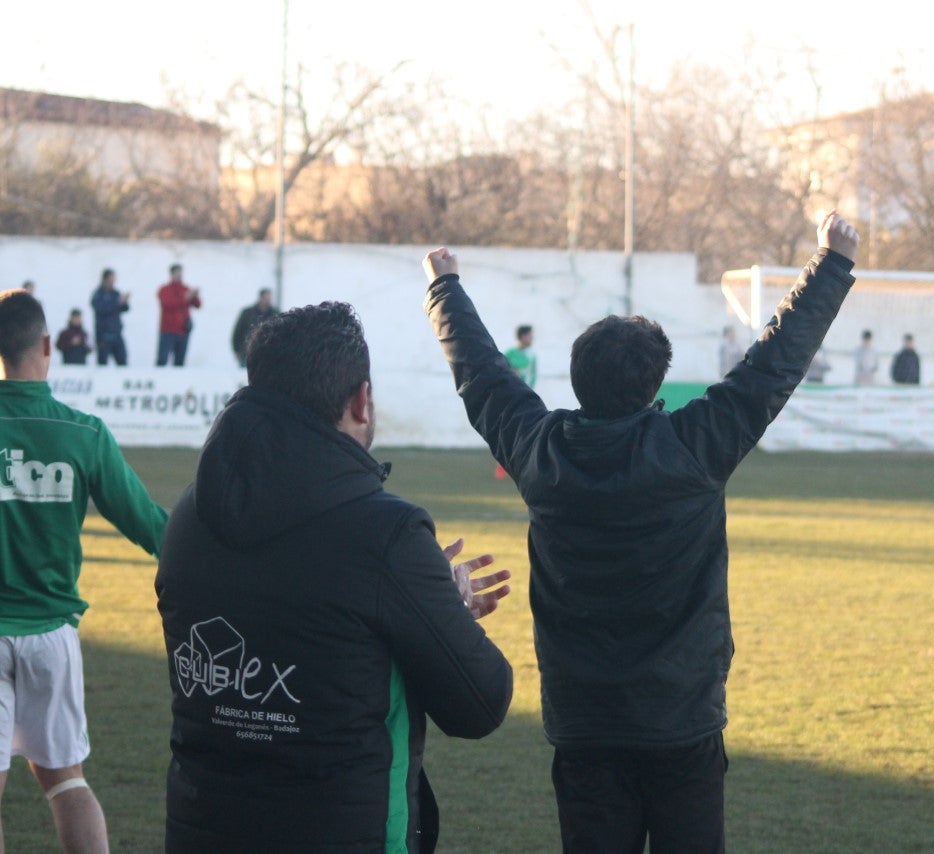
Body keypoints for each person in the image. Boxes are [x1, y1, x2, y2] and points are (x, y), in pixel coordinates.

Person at [421, 210, 860, 852]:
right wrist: (831, 265)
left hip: (583, 725)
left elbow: (481, 376)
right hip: (681, 720)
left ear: (577, 378)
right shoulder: (695, 447)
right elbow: (772, 366)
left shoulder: (542, 453)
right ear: (655, 383)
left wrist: (445, 287)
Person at [155, 301, 513, 852]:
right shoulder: (386, 536)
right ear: (361, 401)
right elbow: (481, 702)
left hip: (202, 828)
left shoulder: (188, 516)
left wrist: (423, 595)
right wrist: (439, 596)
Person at [0, 288, 168, 853]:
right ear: (48, 345)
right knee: (67, 783)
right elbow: (150, 525)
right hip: (51, 636)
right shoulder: (83, 433)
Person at [494, 325, 537, 479]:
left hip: (526, 400)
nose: (532, 338)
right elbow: (501, 372)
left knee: (524, 434)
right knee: (506, 433)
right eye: (530, 335)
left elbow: (533, 377)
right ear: (523, 336)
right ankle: (502, 467)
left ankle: (520, 467)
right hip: (509, 399)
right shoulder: (509, 354)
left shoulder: (532, 355)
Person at [156, 263, 201, 367]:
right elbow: (168, 304)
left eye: (181, 273)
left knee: (180, 362)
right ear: (171, 274)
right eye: (177, 273)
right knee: (162, 360)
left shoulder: (186, 288)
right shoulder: (164, 289)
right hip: (167, 331)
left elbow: (198, 305)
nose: (180, 275)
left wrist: (195, 296)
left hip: (183, 331)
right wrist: (185, 298)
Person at [89, 268, 129, 367]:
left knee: (122, 361)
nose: (114, 281)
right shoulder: (98, 294)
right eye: (112, 278)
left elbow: (125, 309)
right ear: (106, 279)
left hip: (116, 333)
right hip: (103, 334)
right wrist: (117, 303)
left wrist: (124, 301)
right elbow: (100, 309)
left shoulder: (116, 293)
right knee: (102, 363)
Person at [230, 288, 279, 368]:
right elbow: (238, 332)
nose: (268, 300)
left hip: (268, 354)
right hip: (248, 353)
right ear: (260, 298)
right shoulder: (247, 313)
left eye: (269, 298)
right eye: (266, 298)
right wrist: (236, 350)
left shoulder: (275, 313)